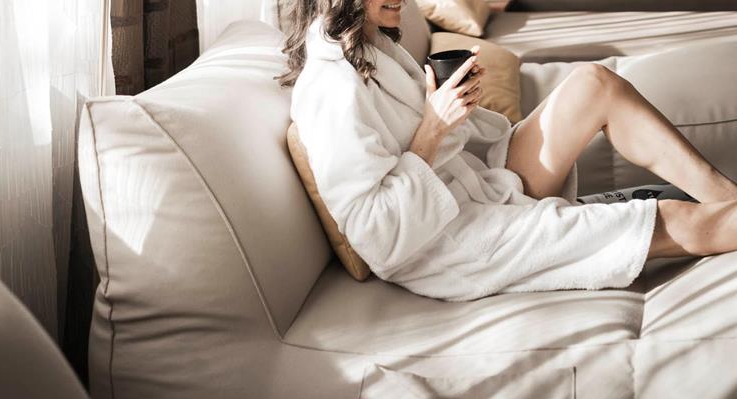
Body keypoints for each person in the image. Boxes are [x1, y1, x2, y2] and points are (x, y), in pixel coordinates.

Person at [280, 0, 737, 301]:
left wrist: (456, 109)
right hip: (452, 244)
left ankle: (726, 195)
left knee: (593, 84)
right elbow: (377, 236)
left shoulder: (372, 46)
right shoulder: (332, 87)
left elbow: (431, 143)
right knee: (670, 219)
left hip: (479, 189)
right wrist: (435, 127)